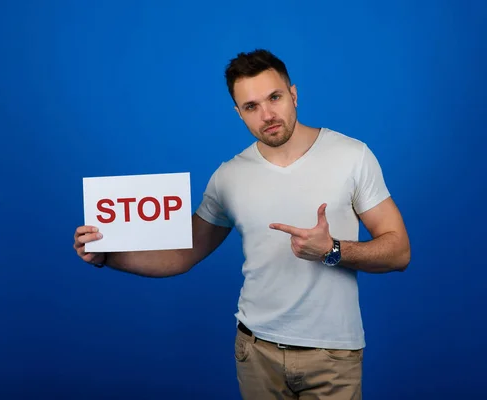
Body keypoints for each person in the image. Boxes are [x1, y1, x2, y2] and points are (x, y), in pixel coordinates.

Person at [74, 49, 411, 399]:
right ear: (239, 114)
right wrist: (105, 256)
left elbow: (399, 251)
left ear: (293, 95)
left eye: (275, 98)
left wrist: (332, 250)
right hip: (255, 353)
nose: (267, 115)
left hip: (333, 355)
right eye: (251, 107)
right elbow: (180, 255)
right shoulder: (228, 177)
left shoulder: (352, 156)